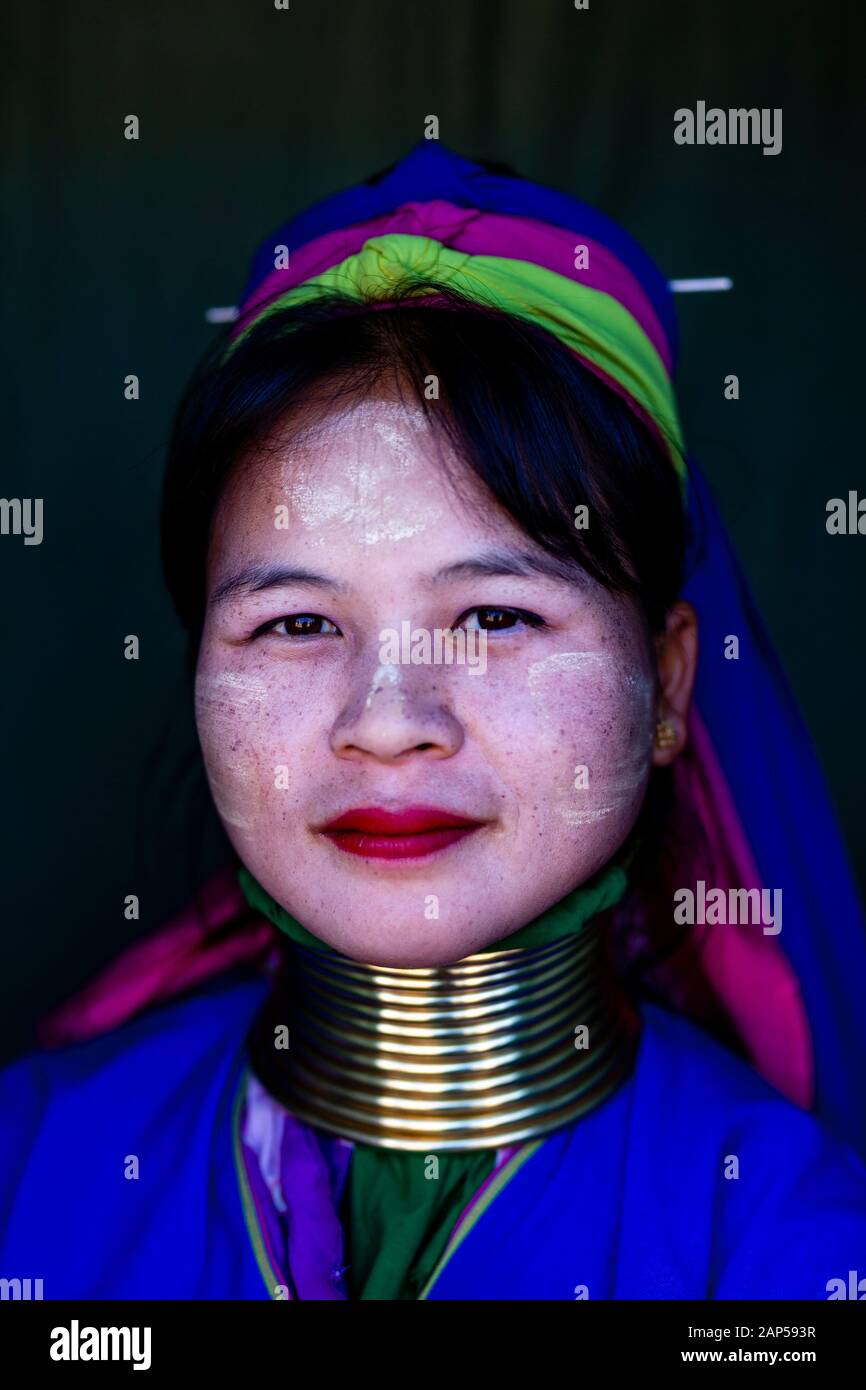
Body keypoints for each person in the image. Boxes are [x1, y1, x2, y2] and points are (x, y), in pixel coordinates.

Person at [2, 142, 866, 1301]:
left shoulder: (785, 1243)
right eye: (297, 625)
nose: (389, 723)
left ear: (665, 684)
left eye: (496, 614)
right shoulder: (27, 1171)